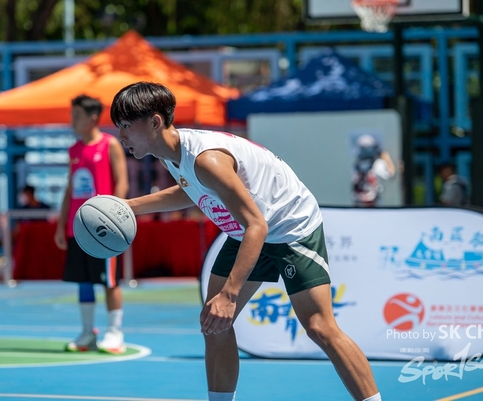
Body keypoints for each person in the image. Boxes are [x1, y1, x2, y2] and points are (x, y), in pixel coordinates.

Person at [110, 82, 381, 401]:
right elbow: (193, 189)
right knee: (214, 323)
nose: (121, 136)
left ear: (155, 122)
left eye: (126, 126)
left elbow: (257, 226)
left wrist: (229, 294)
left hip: (289, 226)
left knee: (319, 326)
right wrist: (129, 206)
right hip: (249, 228)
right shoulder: (170, 152)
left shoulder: (206, 159)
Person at [54, 94, 129, 354]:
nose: (72, 120)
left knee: (109, 281)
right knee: (83, 281)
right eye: (72, 115)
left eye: (77, 115)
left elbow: (122, 182)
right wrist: (61, 224)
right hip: (78, 227)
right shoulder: (74, 150)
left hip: (104, 230)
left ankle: (115, 332)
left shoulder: (110, 145)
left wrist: (116, 217)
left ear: (93, 118)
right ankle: (87, 332)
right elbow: (70, 189)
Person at [351, 134, 395, 207]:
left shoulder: (377, 165)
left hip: (373, 205)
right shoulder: (356, 166)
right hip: (359, 205)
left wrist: (385, 156)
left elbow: (390, 174)